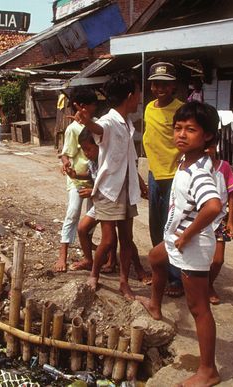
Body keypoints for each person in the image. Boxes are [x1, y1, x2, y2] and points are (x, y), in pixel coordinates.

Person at [139, 101, 222, 386]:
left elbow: (212, 206)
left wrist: (186, 235)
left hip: (192, 247)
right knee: (155, 258)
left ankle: (208, 371)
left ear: (207, 135)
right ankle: (155, 305)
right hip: (176, 240)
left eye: (190, 130)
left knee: (198, 309)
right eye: (178, 128)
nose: (181, 135)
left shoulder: (199, 171)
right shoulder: (187, 160)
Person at [72, 72, 148, 299]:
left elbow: (129, 158)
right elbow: (99, 129)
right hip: (108, 191)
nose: (140, 99)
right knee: (108, 240)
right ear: (129, 96)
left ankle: (124, 282)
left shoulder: (126, 124)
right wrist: (88, 122)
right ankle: (94, 273)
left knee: (126, 239)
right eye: (138, 94)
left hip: (127, 189)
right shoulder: (110, 120)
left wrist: (141, 183)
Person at [143, 61, 186, 297]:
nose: (160, 88)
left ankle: (176, 277)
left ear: (173, 87)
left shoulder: (182, 110)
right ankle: (160, 270)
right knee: (156, 226)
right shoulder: (149, 108)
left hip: (174, 175)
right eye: (156, 83)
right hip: (154, 174)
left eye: (165, 84)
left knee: (174, 227)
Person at [54, 88, 99, 272]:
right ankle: (62, 254)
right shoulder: (73, 129)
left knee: (92, 218)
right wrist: (66, 165)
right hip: (77, 180)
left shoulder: (97, 125)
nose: (95, 108)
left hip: (94, 180)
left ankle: (87, 251)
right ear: (81, 107)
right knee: (73, 213)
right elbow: (66, 153)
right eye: (92, 105)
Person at [68, 128, 117, 273]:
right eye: (83, 150)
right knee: (82, 228)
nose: (86, 153)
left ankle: (112, 260)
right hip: (99, 202)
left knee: (109, 233)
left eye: (88, 149)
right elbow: (90, 175)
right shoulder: (92, 161)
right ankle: (89, 259)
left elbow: (111, 184)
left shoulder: (107, 161)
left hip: (110, 201)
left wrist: (92, 192)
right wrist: (75, 175)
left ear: (98, 146)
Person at [207, 140, 233, 304]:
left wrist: (231, 221)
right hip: (199, 221)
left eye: (211, 146)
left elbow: (231, 194)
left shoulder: (224, 167)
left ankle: (208, 284)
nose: (207, 150)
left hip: (219, 220)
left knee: (218, 260)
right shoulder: (193, 168)